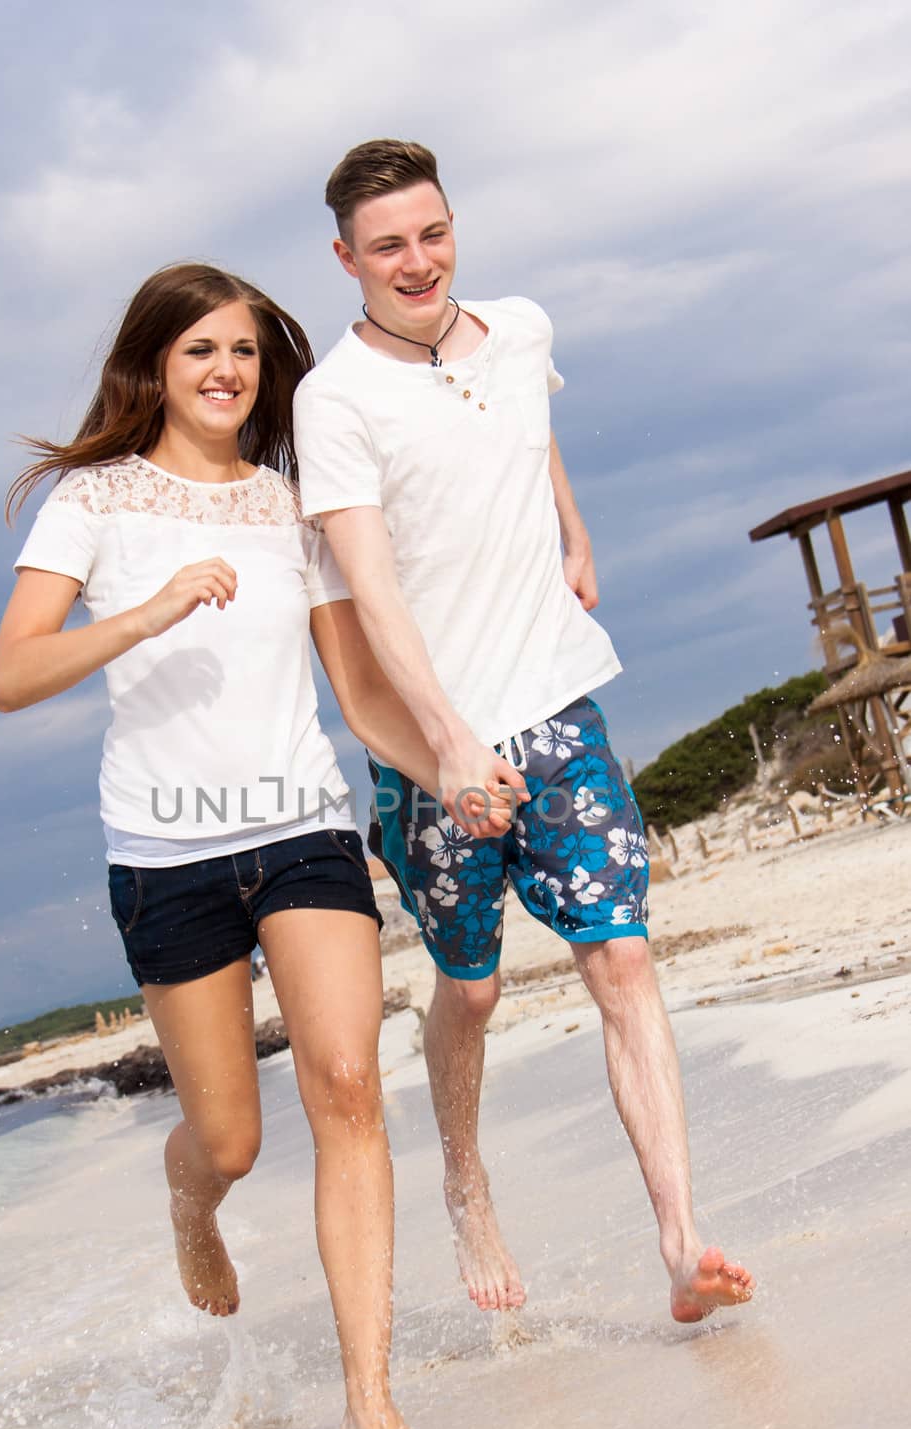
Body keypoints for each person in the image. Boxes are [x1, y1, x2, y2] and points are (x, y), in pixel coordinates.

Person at [0, 262, 512, 1429]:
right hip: (165, 851)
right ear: (154, 367)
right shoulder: (95, 499)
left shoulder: (289, 502)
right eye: (199, 352)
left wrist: (446, 767)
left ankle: (368, 1400)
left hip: (301, 833)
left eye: (243, 351)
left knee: (343, 1082)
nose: (227, 371)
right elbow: (13, 675)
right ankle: (191, 1206)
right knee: (227, 1141)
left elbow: (355, 688)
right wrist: (148, 609)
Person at [293, 140, 755, 1324]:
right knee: (476, 988)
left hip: (557, 705)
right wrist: (444, 745)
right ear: (344, 257)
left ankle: (680, 1236)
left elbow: (524, 424)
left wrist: (570, 525)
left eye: (432, 233)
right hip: (433, 751)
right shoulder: (333, 401)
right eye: (387, 245)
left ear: (455, 226)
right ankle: (463, 1175)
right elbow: (368, 593)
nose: (417, 261)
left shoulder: (521, 330)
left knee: (625, 956)